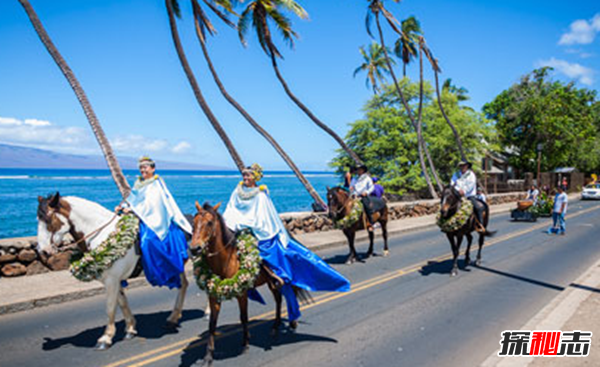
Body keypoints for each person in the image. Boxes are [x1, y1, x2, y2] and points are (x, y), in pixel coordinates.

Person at [223, 164, 350, 322]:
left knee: (265, 251)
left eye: (248, 176)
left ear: (255, 177)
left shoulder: (261, 195)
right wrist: (231, 223)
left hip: (259, 230)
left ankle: (275, 274)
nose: (245, 178)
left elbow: (262, 216)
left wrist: (248, 226)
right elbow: (231, 209)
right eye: (244, 175)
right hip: (239, 228)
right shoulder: (237, 191)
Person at [115, 156, 191, 288]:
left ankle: (157, 271)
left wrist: (132, 211)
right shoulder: (139, 183)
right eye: (141, 168)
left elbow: (153, 205)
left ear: (153, 168)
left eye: (145, 167)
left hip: (155, 219)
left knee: (147, 241)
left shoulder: (156, 184)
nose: (142, 170)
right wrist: (123, 207)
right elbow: (135, 200)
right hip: (140, 215)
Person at [450, 161, 486, 231]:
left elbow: (471, 184)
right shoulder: (456, 174)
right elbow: (452, 183)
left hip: (469, 195)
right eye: (461, 166)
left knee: (478, 208)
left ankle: (480, 225)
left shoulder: (471, 175)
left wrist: (464, 191)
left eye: (464, 165)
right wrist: (458, 190)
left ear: (467, 166)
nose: (462, 167)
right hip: (457, 195)